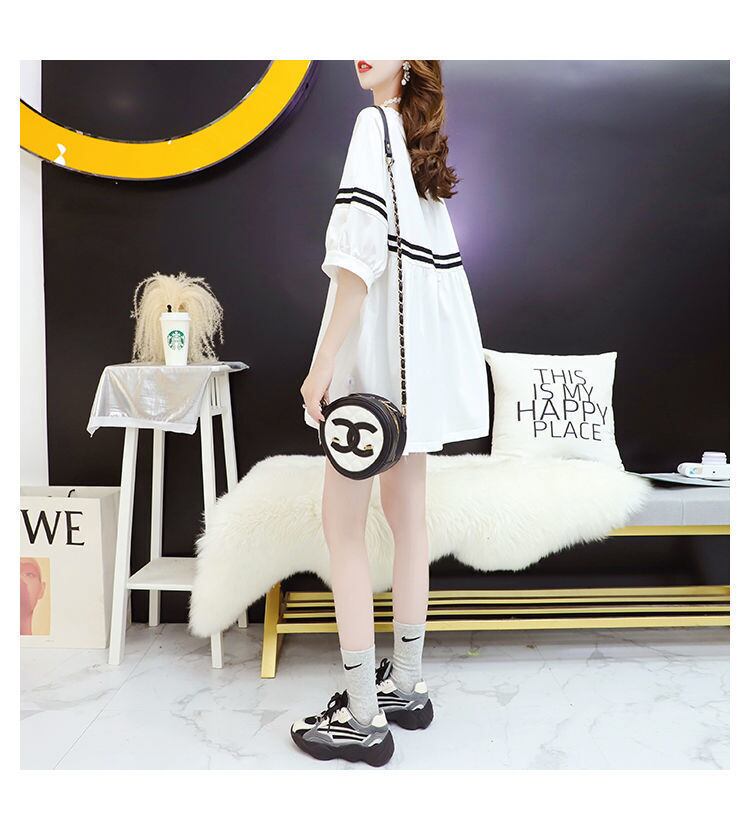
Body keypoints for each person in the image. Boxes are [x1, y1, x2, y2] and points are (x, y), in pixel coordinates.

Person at [295, 60, 489, 766]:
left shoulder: (371, 125)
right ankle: (405, 686)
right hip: (417, 376)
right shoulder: (416, 145)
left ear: (410, 59)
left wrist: (322, 366)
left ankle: (362, 716)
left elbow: (355, 264)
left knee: (342, 529)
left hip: (371, 377)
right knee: (411, 526)